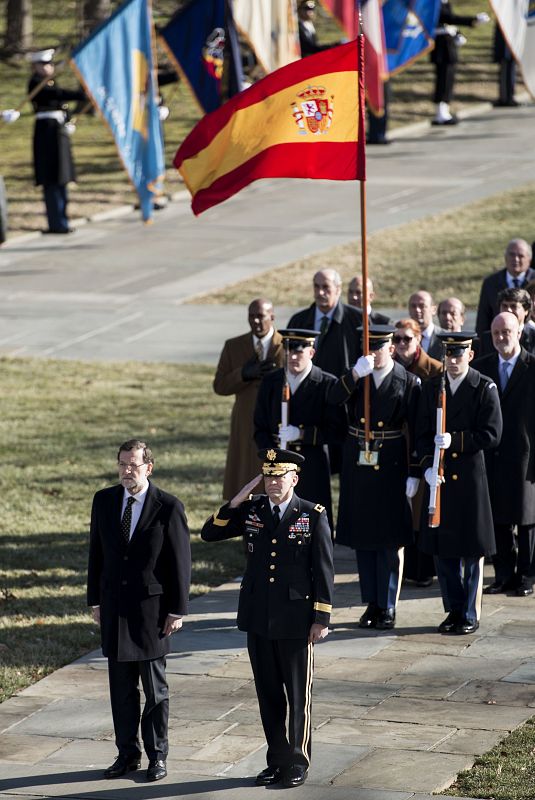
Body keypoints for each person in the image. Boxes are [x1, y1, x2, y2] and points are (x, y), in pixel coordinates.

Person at [201, 448, 334, 789]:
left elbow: (323, 570)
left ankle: (297, 762)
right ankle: (276, 760)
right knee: (268, 695)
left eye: (280, 476)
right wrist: (237, 499)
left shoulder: (312, 515)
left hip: (296, 620)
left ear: (294, 478)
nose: (273, 483)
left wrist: (321, 618)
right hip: (259, 616)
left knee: (297, 696)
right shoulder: (252, 510)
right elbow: (209, 534)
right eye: (268, 476)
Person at [87, 439, 191, 782]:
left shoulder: (168, 507)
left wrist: (177, 610)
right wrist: (95, 600)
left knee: (155, 691)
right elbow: (96, 554)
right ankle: (127, 755)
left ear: (149, 467)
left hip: (152, 614)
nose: (126, 472)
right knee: (121, 690)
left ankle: (157, 756)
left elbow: (180, 563)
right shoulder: (103, 501)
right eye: (121, 465)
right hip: (115, 610)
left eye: (133, 465)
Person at [329, 326, 421, 630]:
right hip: (359, 463)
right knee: (363, 539)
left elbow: (418, 431)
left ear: (391, 348)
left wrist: (415, 471)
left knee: (389, 540)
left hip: (392, 463)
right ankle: (371, 602)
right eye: (367, 349)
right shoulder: (358, 375)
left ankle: (388, 605)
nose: (372, 355)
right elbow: (330, 399)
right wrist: (354, 375)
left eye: (378, 348)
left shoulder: (408, 381)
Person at [416, 333, 502, 635]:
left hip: (468, 481)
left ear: (471, 354)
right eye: (449, 355)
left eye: (459, 354)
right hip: (440, 481)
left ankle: (469, 612)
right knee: (444, 551)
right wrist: (427, 466)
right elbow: (422, 435)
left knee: (470, 552)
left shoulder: (483, 387)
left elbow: (492, 434)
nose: (453, 361)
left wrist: (457, 440)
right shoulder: (431, 388)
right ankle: (452, 609)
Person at [254, 328, 345, 529]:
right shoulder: (271, 382)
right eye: (289, 352)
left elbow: (336, 431)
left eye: (299, 352)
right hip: (278, 470)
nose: (293, 357)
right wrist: (273, 457)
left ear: (311, 353)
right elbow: (260, 428)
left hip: (312, 469)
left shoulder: (327, 383)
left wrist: (303, 434)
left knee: (313, 527)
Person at [473, 313, 535, 597]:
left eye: (506, 331)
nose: (501, 337)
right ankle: (504, 574)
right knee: (497, 517)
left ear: (519, 330)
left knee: (526, 519)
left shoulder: (532, 366)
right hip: (492, 455)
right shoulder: (483, 367)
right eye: (496, 332)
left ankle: (526, 575)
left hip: (524, 454)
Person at [213, 299, 284, 500]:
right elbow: (220, 386)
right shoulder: (233, 346)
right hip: (245, 422)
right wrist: (243, 373)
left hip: (276, 423)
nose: (256, 321)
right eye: (251, 316)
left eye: (260, 316)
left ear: (272, 317)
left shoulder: (286, 346)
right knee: (246, 473)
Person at [393, 319, 441, 588]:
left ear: (419, 340)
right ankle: (406, 567)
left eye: (407, 339)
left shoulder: (434, 370)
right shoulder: (391, 368)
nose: (401, 344)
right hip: (398, 447)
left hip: (423, 447)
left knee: (421, 510)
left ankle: (423, 568)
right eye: (397, 339)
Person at [28, 49, 86, 234]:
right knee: (52, 177)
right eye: (45, 64)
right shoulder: (36, 83)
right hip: (47, 133)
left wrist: (68, 119)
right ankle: (56, 223)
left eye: (51, 64)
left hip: (58, 131)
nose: (49, 68)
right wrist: (81, 94)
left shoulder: (50, 82)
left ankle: (63, 220)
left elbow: (62, 104)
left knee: (62, 177)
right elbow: (56, 95)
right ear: (35, 66)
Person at [287, 269, 361, 379]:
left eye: (326, 287)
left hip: (344, 390)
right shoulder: (298, 321)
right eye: (316, 286)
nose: (320, 292)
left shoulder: (357, 320)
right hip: (307, 391)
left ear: (338, 289)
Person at [430, 2, 489, 125]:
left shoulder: (445, 3)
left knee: (448, 78)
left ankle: (445, 110)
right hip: (441, 44)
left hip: (448, 43)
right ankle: (440, 112)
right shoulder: (434, 3)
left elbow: (450, 22)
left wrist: (458, 33)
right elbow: (447, 18)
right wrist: (473, 19)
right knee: (443, 78)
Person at [475, 238, 534, 335]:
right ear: (505, 257)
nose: (515, 259)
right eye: (512, 254)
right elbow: (483, 320)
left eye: (520, 256)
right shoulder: (490, 283)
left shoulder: (534, 281)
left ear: (529, 260)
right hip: (498, 339)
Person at [477, 287, 535, 357]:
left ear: (526, 310)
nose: (509, 310)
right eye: (504, 306)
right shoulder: (487, 339)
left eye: (513, 306)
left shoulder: (533, 337)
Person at [408, 290, 443, 359]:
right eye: (413, 306)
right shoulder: (399, 338)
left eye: (422, 306)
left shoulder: (445, 338)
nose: (417, 310)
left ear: (434, 310)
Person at [493, 24, 518, 107]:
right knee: (505, 69)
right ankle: (504, 98)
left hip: (513, 44)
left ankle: (510, 96)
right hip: (505, 48)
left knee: (511, 71)